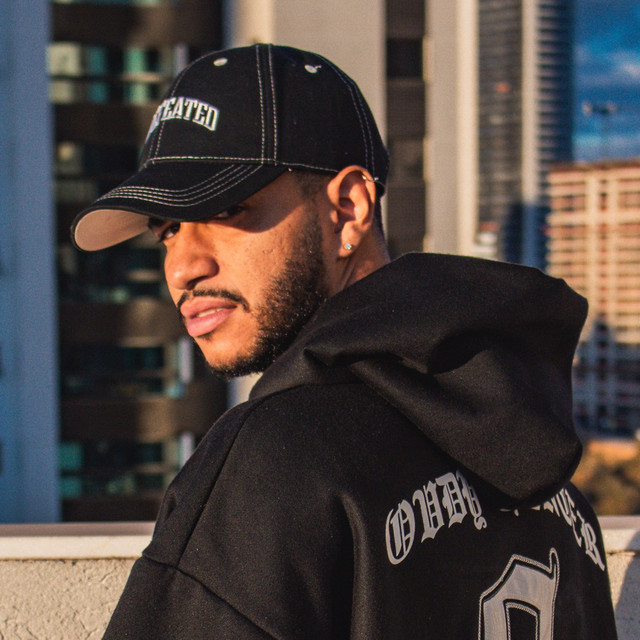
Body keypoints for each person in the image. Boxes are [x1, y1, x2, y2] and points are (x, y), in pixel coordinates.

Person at [72, 44, 618, 639]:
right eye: (168, 231)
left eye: (226, 209)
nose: (183, 267)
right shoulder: (561, 501)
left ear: (349, 208)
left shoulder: (276, 456)